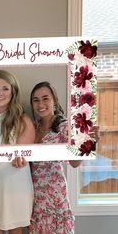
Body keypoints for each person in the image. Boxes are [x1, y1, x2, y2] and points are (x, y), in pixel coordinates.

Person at [27, 81, 99, 234]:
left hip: (56, 198)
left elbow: (75, 163)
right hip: (35, 200)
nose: (41, 104)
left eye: (45, 98)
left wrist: (88, 141)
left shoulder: (64, 127)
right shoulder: (32, 127)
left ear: (54, 100)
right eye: (36, 100)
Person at [0, 70, 35, 234]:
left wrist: (21, 159)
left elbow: (25, 156)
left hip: (15, 186)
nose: (0, 93)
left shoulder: (23, 120)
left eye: (5, 88)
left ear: (13, 91)